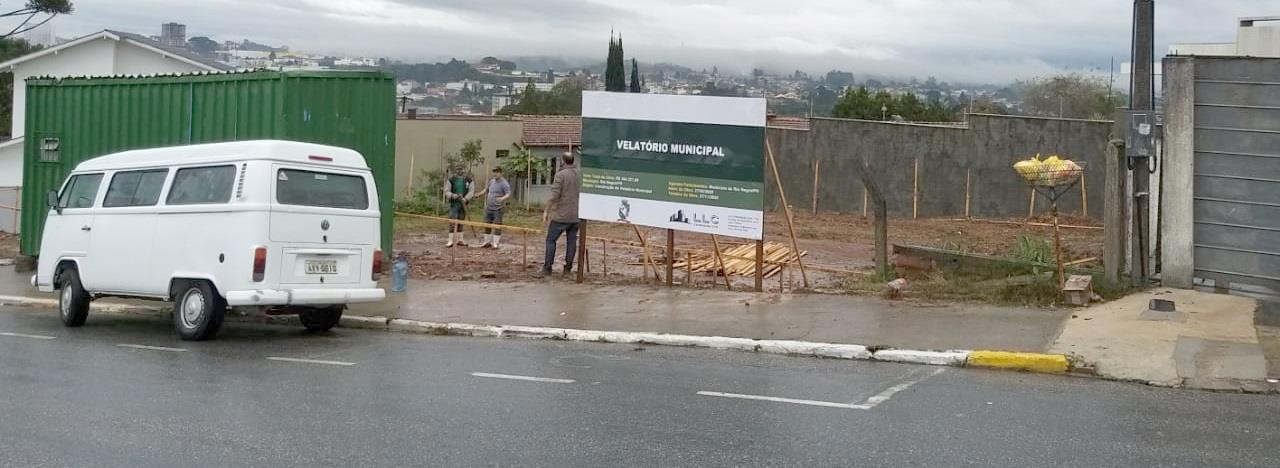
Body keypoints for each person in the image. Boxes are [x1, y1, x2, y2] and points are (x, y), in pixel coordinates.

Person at [536, 151, 580, 278]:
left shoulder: (560, 175)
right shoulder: (579, 174)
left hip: (561, 215)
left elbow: (554, 196)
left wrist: (546, 211)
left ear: (563, 161)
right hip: (576, 215)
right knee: (571, 242)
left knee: (550, 240)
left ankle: (547, 268)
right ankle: (568, 269)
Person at [473, 166, 512, 248]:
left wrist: (502, 198)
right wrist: (479, 194)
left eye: (497, 172)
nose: (495, 174)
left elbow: (508, 193)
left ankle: (495, 243)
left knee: (497, 225)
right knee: (487, 224)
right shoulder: (492, 181)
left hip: (498, 208)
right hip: (489, 207)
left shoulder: (504, 183)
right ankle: (487, 241)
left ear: (501, 173)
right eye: (494, 172)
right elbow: (486, 190)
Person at [442, 165, 474, 247]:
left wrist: (466, 199)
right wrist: (453, 195)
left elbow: (471, 191)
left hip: (463, 205)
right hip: (454, 204)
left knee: (461, 222)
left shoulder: (469, 180)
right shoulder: (451, 180)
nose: (460, 171)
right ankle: (450, 241)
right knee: (452, 222)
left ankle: (460, 240)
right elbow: (446, 191)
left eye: (461, 169)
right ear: (456, 170)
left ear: (464, 170)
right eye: (458, 169)